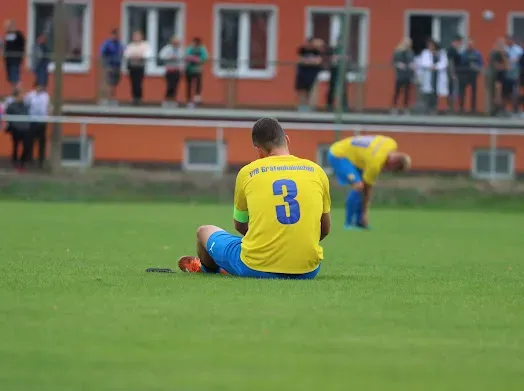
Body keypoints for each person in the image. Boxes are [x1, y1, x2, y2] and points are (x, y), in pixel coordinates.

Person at [178, 118, 331, 279]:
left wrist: (266, 242)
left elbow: (240, 225)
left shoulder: (248, 172)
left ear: (258, 151)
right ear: (286, 140)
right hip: (308, 270)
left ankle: (208, 270)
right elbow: (325, 229)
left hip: (255, 267)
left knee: (204, 231)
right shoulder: (316, 171)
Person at [327, 135, 411, 229]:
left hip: (353, 156)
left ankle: (359, 223)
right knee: (359, 186)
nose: (387, 169)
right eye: (391, 169)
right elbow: (367, 190)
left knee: (361, 188)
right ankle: (349, 223)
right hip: (338, 155)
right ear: (394, 163)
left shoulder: (391, 142)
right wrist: (365, 213)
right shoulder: (375, 163)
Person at [25, 83, 51, 168]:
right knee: (31, 141)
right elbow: (26, 106)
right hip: (32, 121)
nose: (41, 87)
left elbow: (48, 107)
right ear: (35, 86)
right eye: (39, 86)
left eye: (42, 86)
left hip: (42, 122)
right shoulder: (30, 95)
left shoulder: (46, 96)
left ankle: (41, 161)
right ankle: (29, 159)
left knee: (42, 142)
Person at [4, 88, 31, 171]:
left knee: (27, 146)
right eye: (21, 94)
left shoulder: (25, 105)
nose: (22, 96)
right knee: (16, 146)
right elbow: (7, 117)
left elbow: (28, 115)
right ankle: (15, 163)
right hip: (16, 129)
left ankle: (22, 163)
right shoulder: (11, 106)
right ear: (16, 96)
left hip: (25, 129)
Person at [419, 39, 449, 114]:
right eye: (429, 45)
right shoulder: (425, 53)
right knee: (429, 93)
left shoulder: (441, 53)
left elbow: (444, 63)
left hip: (438, 75)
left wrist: (436, 67)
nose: (430, 47)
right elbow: (423, 62)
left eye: (432, 45)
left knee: (437, 93)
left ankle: (436, 109)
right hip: (429, 75)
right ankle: (428, 109)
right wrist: (430, 66)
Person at [295, 38, 323, 112]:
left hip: (313, 74)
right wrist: (310, 61)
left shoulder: (316, 51)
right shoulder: (302, 50)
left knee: (312, 91)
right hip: (303, 73)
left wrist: (307, 61)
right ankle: (302, 107)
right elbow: (300, 60)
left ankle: (311, 107)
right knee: (302, 91)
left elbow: (318, 61)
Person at [123, 31, 151, 105]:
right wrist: (133, 56)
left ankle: (139, 98)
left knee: (139, 83)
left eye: (138, 36)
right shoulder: (130, 45)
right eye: (135, 36)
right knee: (133, 83)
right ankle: (133, 98)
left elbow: (147, 54)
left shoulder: (145, 45)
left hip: (140, 67)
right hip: (132, 66)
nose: (136, 38)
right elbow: (126, 54)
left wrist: (140, 56)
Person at [99, 29, 124, 105]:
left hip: (117, 65)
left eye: (117, 35)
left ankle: (112, 98)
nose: (115, 37)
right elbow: (101, 52)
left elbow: (122, 51)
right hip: (108, 65)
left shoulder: (119, 44)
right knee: (107, 82)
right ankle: (105, 99)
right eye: (114, 35)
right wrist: (105, 64)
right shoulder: (107, 43)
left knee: (114, 83)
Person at [458, 39, 483, 113]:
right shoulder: (463, 53)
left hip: (473, 75)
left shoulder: (477, 53)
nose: (470, 46)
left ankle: (473, 109)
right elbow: (460, 63)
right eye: (469, 45)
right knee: (462, 92)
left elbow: (480, 64)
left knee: (474, 92)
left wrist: (478, 71)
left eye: (471, 45)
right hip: (464, 75)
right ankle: (461, 108)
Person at [391, 37, 414, 114]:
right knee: (397, 92)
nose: (408, 45)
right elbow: (393, 62)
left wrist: (412, 65)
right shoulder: (397, 51)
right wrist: (398, 64)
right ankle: (394, 107)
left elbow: (412, 61)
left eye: (409, 44)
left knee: (407, 93)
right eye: (406, 43)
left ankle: (406, 108)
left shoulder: (410, 52)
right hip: (400, 75)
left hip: (408, 75)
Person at [159, 36, 184, 107]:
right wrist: (169, 57)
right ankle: (166, 100)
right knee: (169, 86)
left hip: (177, 70)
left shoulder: (180, 50)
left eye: (177, 43)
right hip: (169, 70)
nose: (176, 44)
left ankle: (174, 100)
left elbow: (182, 59)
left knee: (175, 86)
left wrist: (182, 69)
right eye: (175, 42)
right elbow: (161, 56)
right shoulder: (167, 48)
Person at [185, 37, 208, 108]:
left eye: (195, 43)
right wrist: (191, 58)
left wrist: (197, 59)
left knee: (198, 84)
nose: (194, 44)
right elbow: (186, 56)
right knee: (189, 85)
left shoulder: (202, 49)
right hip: (189, 69)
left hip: (198, 70)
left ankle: (197, 98)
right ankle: (189, 100)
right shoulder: (190, 48)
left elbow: (204, 57)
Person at [3, 20, 25, 88]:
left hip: (15, 60)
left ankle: (17, 93)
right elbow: (7, 47)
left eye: (8, 26)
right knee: (10, 78)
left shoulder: (18, 35)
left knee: (15, 77)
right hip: (8, 60)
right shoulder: (7, 35)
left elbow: (22, 45)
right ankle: (14, 92)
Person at [446, 35, 463, 113]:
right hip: (452, 73)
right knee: (452, 89)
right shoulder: (451, 50)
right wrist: (452, 74)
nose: (460, 44)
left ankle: (452, 107)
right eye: (459, 42)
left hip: (455, 72)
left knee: (454, 89)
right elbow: (451, 63)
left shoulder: (456, 50)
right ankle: (450, 107)